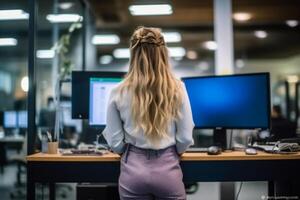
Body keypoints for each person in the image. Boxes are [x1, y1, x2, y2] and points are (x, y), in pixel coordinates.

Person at [102, 27, 194, 200]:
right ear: (163, 54)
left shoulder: (118, 91)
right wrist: (175, 152)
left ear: (133, 55)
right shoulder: (178, 88)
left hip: (133, 171)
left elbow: (115, 142)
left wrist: (132, 153)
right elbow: (186, 138)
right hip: (168, 170)